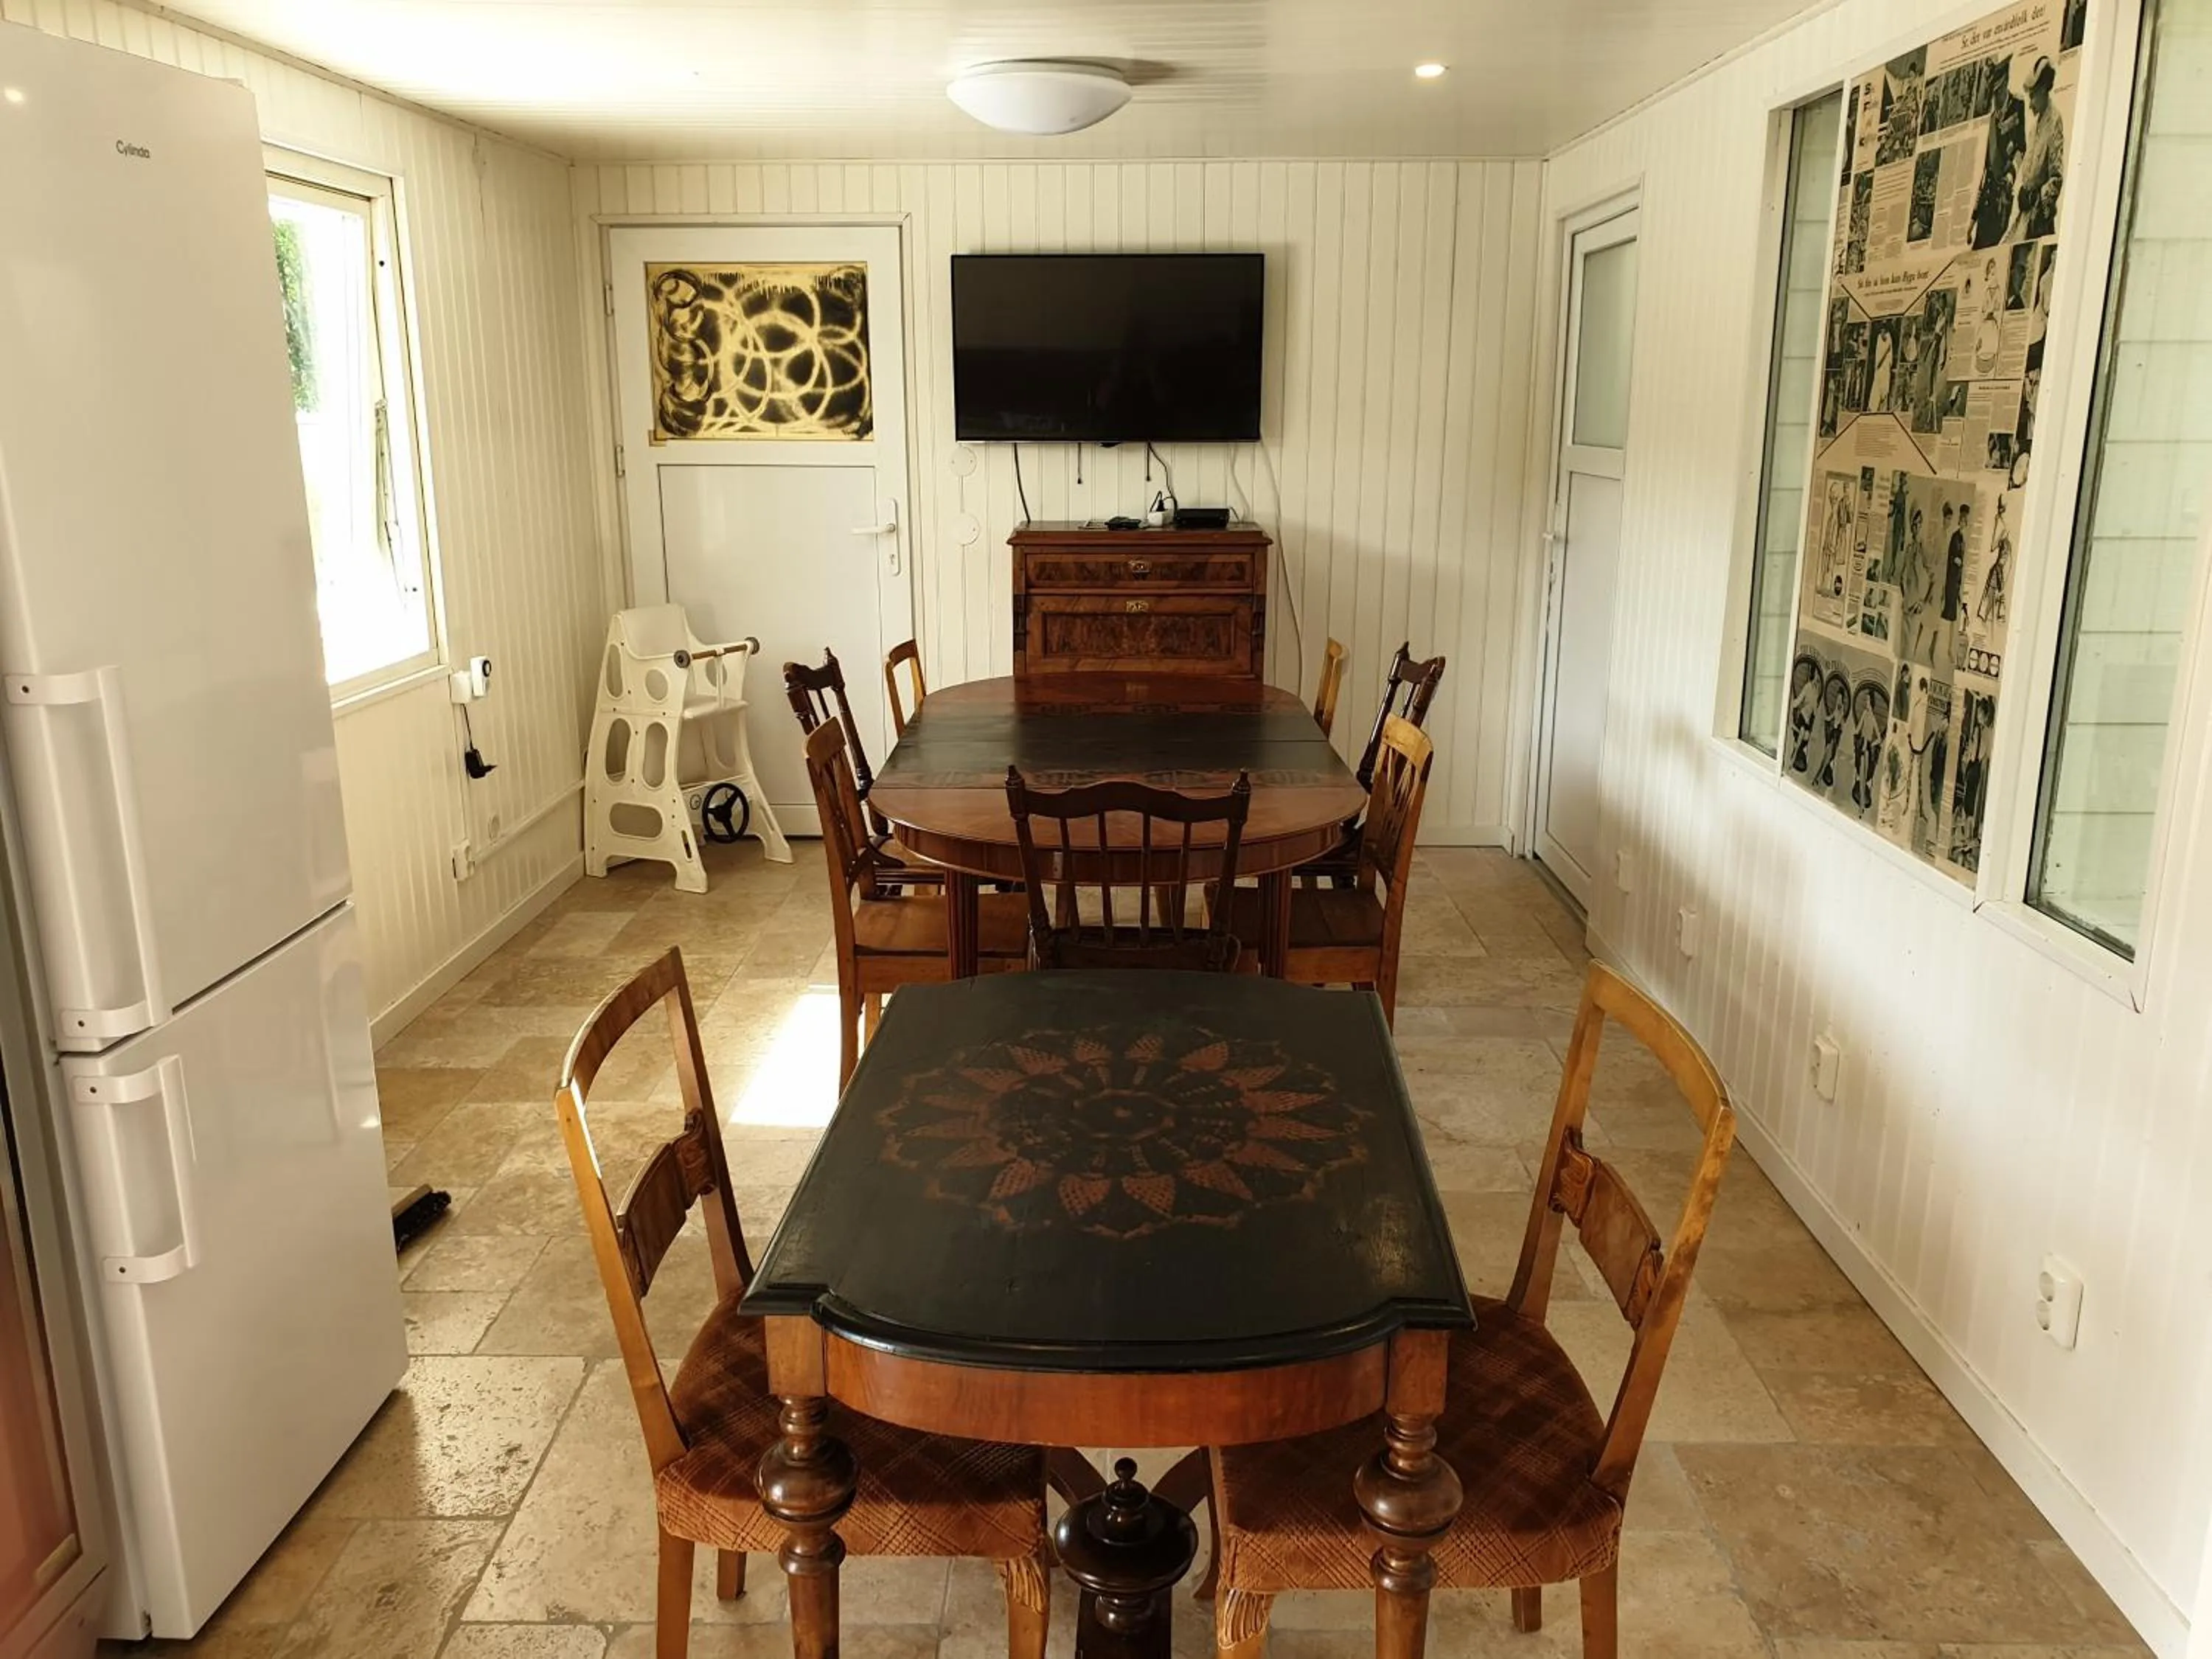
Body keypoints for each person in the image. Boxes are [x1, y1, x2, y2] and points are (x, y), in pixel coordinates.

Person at [2011, 58, 2065, 239]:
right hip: (2026, 213)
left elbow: (2056, 177)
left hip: (2039, 219)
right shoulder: (2035, 127)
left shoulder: (2054, 120)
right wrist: (2022, 192)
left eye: (2033, 96)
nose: (2031, 104)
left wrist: (2037, 198)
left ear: (2043, 91)